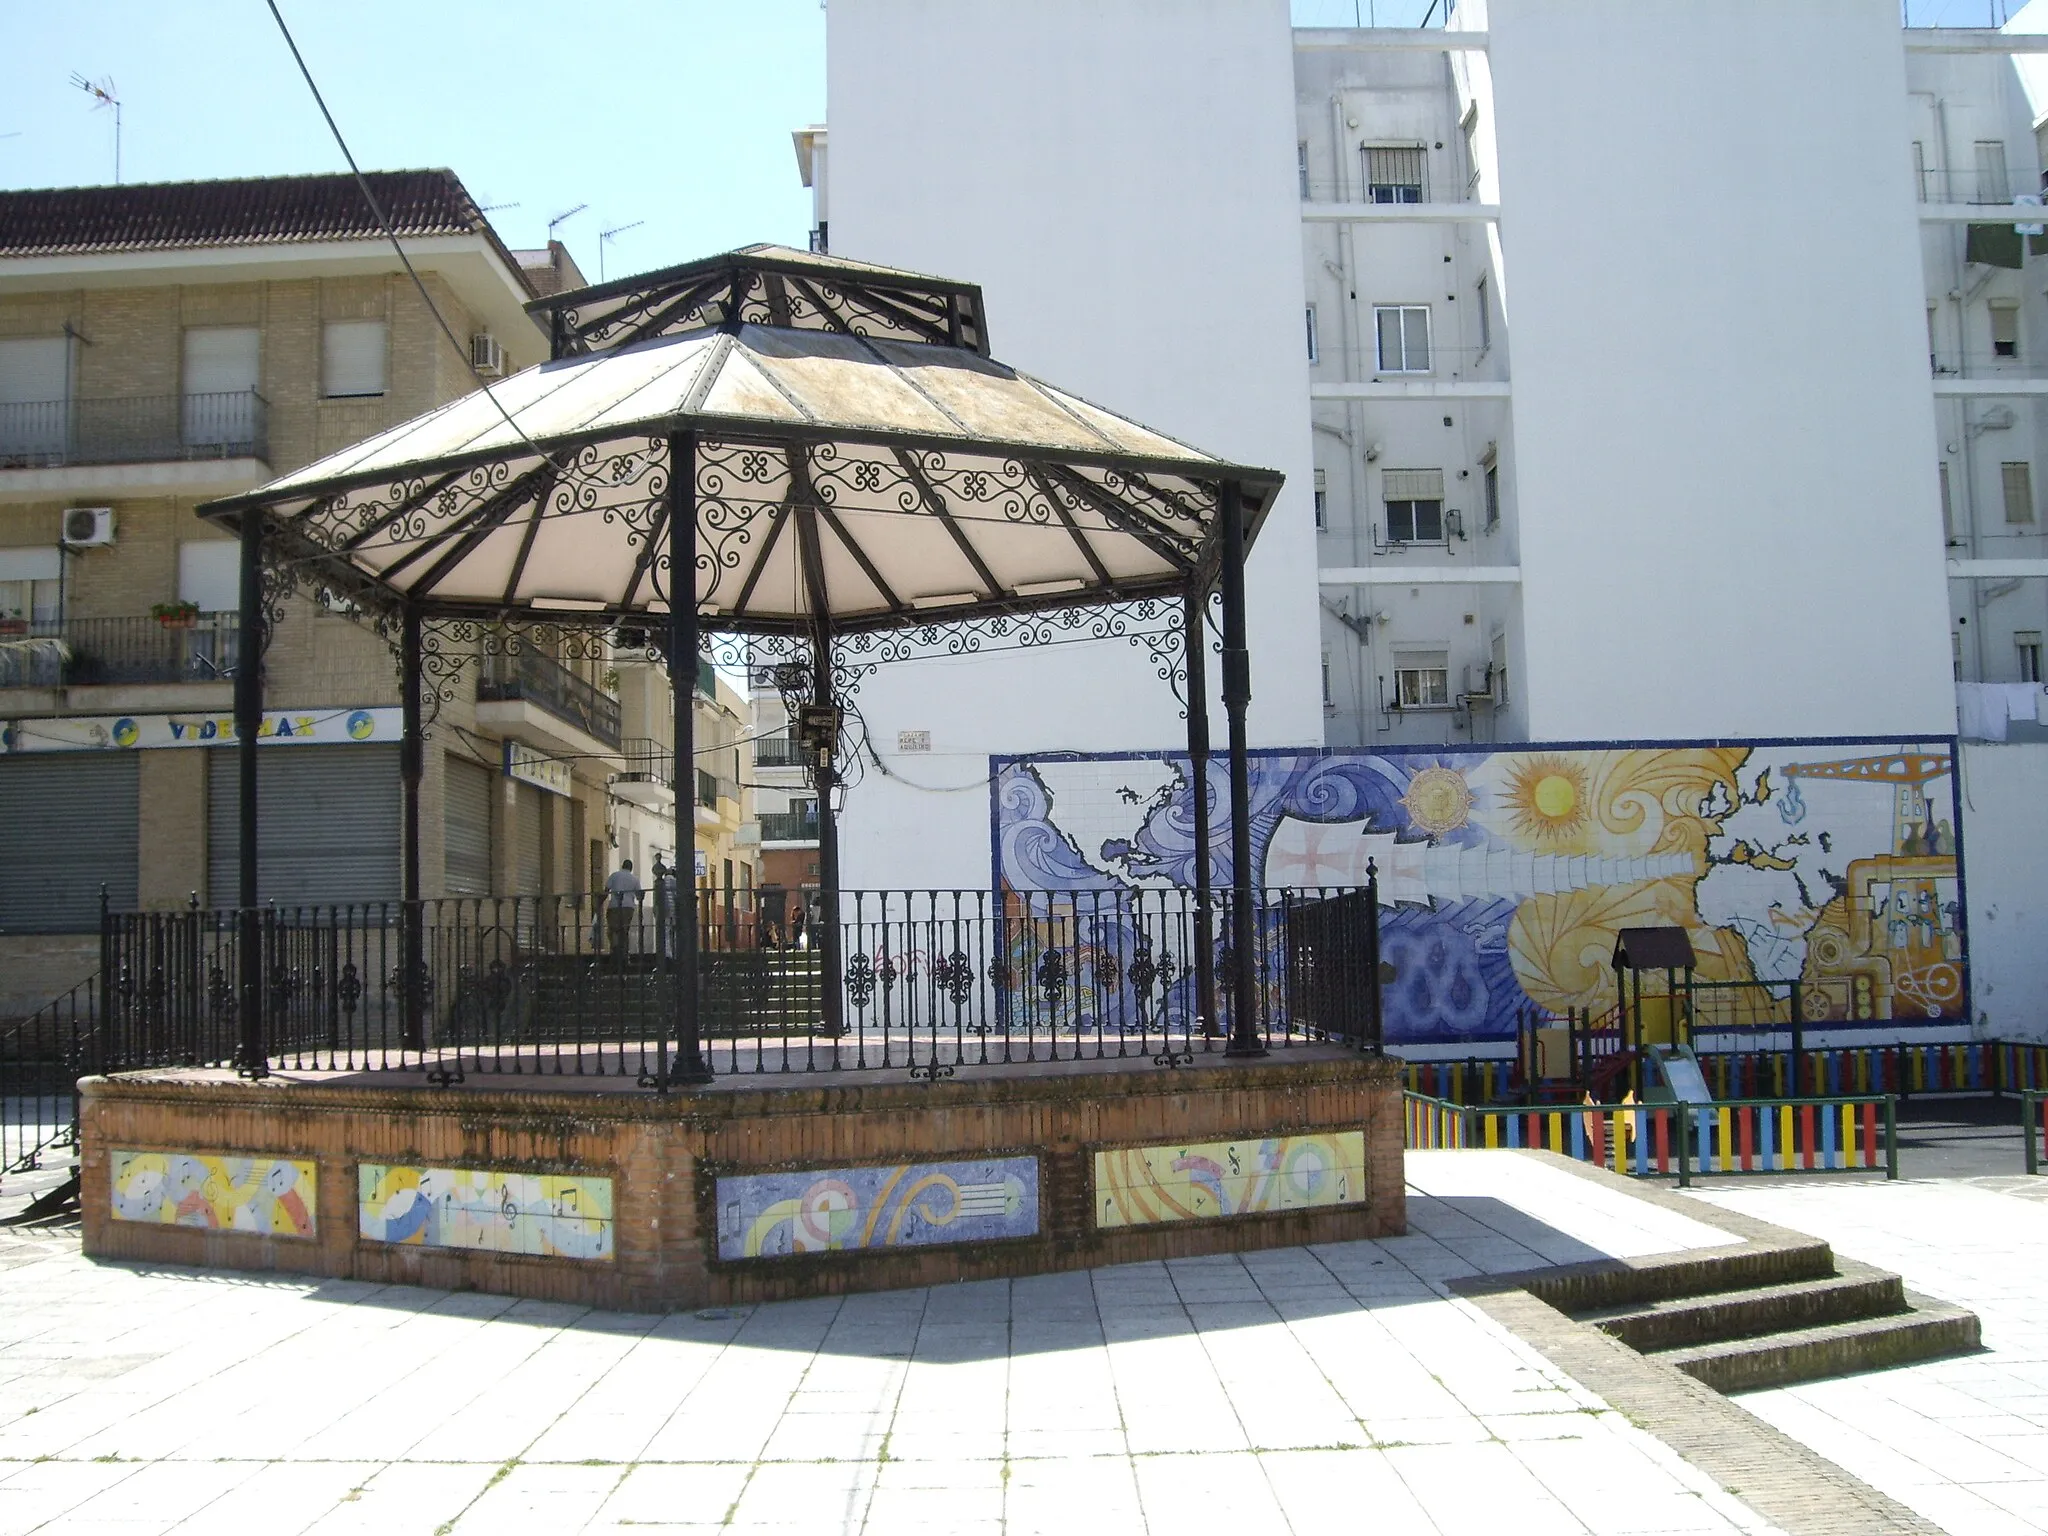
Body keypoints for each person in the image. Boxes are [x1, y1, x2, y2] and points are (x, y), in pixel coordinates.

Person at [604, 859, 643, 967]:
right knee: (624, 930)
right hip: (628, 907)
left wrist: (599, 903)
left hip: (614, 906)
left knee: (613, 930)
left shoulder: (614, 875)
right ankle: (624, 954)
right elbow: (639, 895)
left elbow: (606, 890)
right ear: (631, 868)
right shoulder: (635, 879)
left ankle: (615, 951)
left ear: (622, 866)